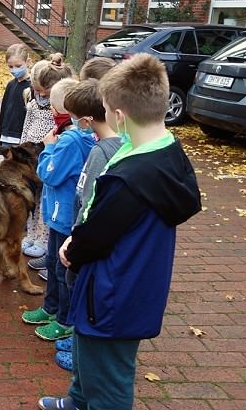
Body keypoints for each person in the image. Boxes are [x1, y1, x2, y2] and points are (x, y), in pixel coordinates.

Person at [38, 54, 201, 410]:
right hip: (128, 283)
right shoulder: (162, 148)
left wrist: (71, 249)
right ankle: (78, 400)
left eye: (108, 109)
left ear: (120, 116)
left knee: (109, 378)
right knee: (89, 356)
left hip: (113, 293)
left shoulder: (133, 177)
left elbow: (97, 234)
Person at [52, 63, 122, 372]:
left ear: (87, 120)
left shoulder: (101, 152)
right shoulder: (108, 144)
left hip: (85, 239)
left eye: (75, 117)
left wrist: (77, 239)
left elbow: (90, 200)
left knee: (80, 293)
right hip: (90, 238)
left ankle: (82, 352)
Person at [21, 77, 94, 343]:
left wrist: (47, 149)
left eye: (53, 106)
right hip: (57, 214)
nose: (50, 111)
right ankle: (50, 307)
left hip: (63, 215)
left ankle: (63, 319)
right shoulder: (78, 136)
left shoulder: (69, 141)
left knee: (62, 271)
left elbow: (49, 174)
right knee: (53, 265)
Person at [20, 60, 72, 262]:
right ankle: (31, 235)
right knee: (31, 200)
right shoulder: (33, 104)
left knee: (45, 203)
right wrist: (22, 148)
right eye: (38, 90)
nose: (41, 94)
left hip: (48, 157)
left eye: (45, 91)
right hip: (31, 159)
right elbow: (27, 126)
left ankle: (43, 240)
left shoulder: (59, 110)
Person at [0, 43, 32, 153]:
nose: (14, 70)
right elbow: (3, 113)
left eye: (18, 66)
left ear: (28, 62)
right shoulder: (11, 85)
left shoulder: (33, 87)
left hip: (22, 138)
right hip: (6, 136)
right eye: (10, 67)